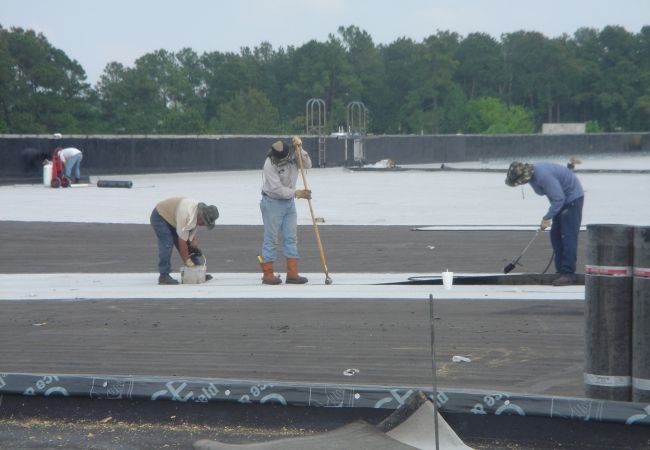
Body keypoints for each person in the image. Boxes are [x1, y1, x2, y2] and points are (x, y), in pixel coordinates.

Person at [505, 161, 585, 286]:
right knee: (555, 236)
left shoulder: (543, 176)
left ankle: (568, 274)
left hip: (572, 200)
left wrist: (547, 218)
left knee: (567, 236)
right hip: (561, 201)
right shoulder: (533, 176)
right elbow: (548, 194)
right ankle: (560, 271)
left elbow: (559, 198)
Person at [259, 136, 312, 285]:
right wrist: (297, 193)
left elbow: (307, 164)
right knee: (271, 238)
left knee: (291, 237)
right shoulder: (269, 164)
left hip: (289, 203)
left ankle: (292, 274)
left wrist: (300, 149)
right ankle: (268, 274)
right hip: (272, 202)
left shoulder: (293, 154)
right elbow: (277, 190)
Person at [150, 197, 219, 285]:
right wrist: (188, 262)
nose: (203, 225)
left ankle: (198, 272)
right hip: (160, 216)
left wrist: (194, 248)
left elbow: (191, 235)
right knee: (167, 242)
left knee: (188, 246)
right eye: (204, 223)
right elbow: (182, 242)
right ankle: (164, 276)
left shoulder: (199, 213)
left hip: (175, 218)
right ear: (201, 217)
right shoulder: (186, 214)